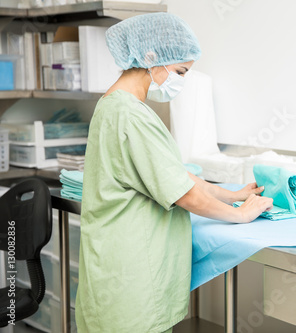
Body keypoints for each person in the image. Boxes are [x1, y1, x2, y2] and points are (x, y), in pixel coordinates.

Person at [75, 12, 273, 333]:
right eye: (181, 71)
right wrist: (240, 214)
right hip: (131, 285)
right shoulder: (130, 116)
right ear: (151, 57)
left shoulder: (115, 106)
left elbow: (173, 174)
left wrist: (233, 194)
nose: (181, 80)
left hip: (115, 274)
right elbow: (184, 193)